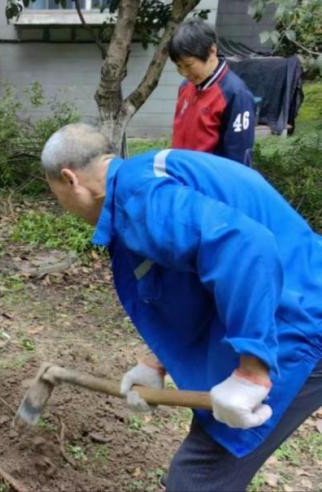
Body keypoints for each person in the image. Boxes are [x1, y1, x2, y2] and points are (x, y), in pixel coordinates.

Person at [40, 123, 322, 491]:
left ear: (70, 179)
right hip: (291, 306)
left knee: (197, 480)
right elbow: (190, 281)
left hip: (297, 323)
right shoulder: (143, 182)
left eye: (56, 194)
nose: (63, 207)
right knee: (207, 455)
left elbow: (246, 248)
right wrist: (153, 361)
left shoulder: (142, 199)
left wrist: (251, 373)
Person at [170, 19, 256, 166]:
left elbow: (238, 159)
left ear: (212, 51)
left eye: (189, 65)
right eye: (179, 66)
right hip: (182, 176)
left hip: (209, 181)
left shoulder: (235, 94)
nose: (184, 72)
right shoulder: (185, 87)